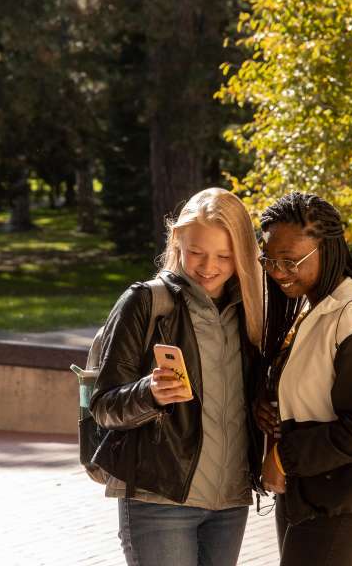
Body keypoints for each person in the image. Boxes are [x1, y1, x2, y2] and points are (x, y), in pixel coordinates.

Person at [89, 188, 265, 566]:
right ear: (177, 241)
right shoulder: (145, 302)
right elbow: (103, 406)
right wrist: (149, 392)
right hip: (158, 500)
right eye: (197, 252)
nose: (208, 266)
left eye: (224, 255)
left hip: (230, 502)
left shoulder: (251, 313)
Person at [253, 192, 352, 566]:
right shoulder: (317, 306)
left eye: (290, 261)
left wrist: (282, 456)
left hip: (343, 500)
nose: (277, 271)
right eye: (269, 260)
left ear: (328, 251)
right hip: (313, 490)